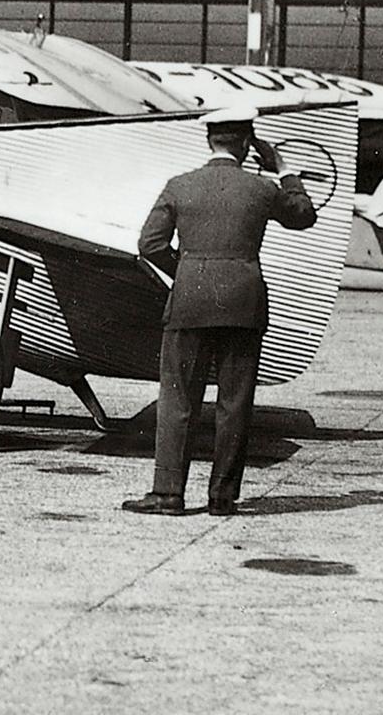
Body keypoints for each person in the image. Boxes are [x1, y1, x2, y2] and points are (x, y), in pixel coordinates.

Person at [123, 107, 317, 517]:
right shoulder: (261, 188)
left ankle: (168, 493)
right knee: (235, 403)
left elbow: (149, 245)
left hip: (190, 301)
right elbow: (304, 217)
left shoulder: (180, 186)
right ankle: (222, 497)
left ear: (208, 141)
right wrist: (283, 168)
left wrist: (191, 272)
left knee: (178, 398)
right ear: (248, 145)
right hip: (243, 304)